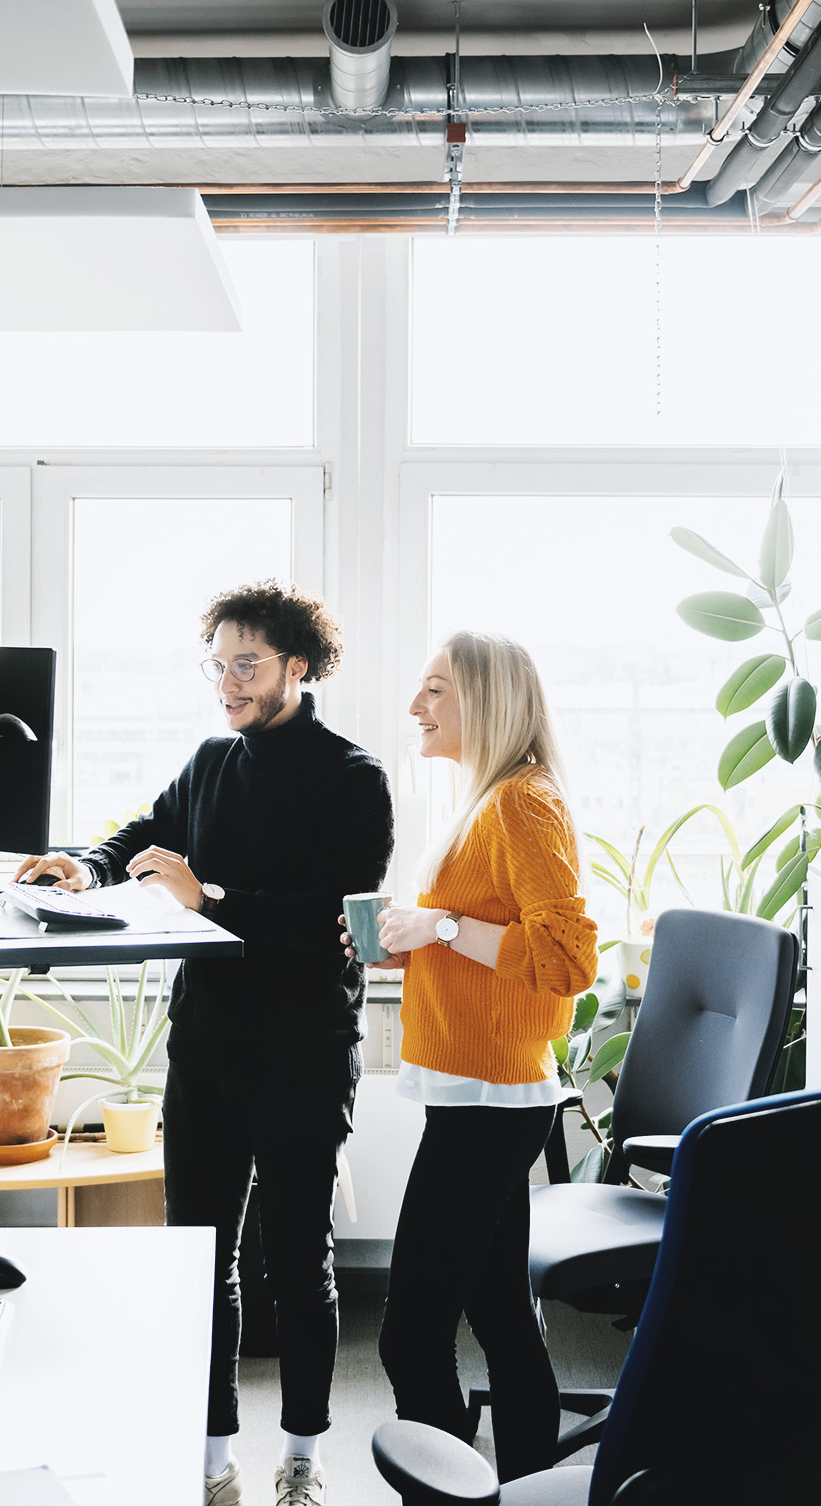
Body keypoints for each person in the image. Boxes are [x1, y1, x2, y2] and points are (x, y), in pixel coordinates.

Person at [18, 580, 394, 1506]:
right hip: (211, 1043)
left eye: (246, 664)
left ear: (297, 667)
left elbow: (329, 925)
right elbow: (147, 836)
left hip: (304, 1048)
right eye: (218, 663)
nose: (227, 681)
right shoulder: (210, 762)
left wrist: (211, 898)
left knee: (300, 1258)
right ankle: (211, 1459)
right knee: (199, 1255)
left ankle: (302, 1460)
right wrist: (88, 863)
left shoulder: (356, 779)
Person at [345, 631, 597, 1483]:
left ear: (486, 700)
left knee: (408, 1335)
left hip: (493, 1101)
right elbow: (491, 936)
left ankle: (448, 1491)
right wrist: (416, 942)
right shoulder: (488, 799)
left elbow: (565, 959)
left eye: (436, 691)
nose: (416, 707)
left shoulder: (524, 803)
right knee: (497, 1313)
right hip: (479, 1091)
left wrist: (442, 925)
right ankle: (525, 1483)